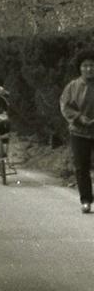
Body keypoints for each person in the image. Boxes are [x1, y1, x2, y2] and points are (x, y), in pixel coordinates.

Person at [59, 48, 94, 214]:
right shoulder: (73, 86)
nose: (89, 69)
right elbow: (65, 106)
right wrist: (79, 118)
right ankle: (86, 200)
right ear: (80, 68)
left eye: (92, 65)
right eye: (85, 66)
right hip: (79, 132)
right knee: (82, 167)